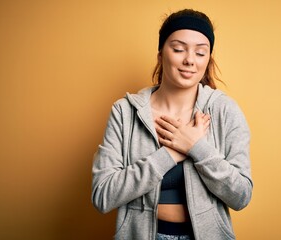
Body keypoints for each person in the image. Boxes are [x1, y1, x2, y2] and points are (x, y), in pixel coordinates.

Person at [92, 9, 253, 240]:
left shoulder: (225, 111)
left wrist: (197, 147)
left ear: (208, 60)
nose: (189, 60)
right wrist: (169, 153)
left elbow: (241, 196)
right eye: (178, 49)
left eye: (200, 52)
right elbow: (102, 196)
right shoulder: (125, 111)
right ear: (160, 54)